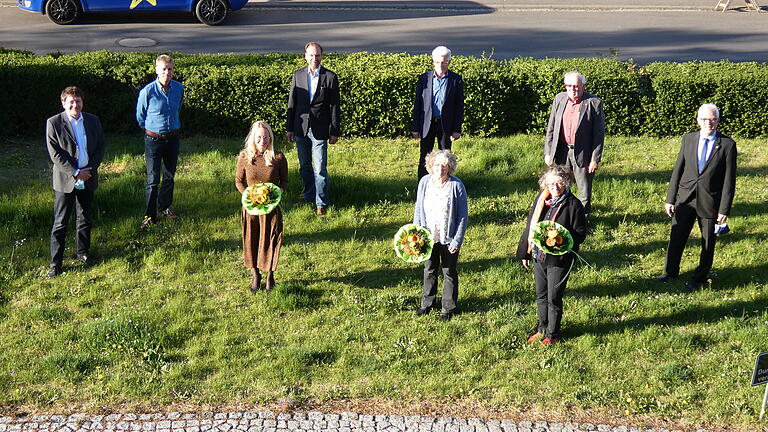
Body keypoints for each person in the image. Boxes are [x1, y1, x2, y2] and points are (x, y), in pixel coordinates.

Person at [656, 103, 737, 291]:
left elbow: (729, 180)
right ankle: (670, 272)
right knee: (677, 236)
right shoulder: (689, 139)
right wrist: (670, 198)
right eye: (705, 119)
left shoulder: (727, 145)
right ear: (698, 120)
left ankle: (699, 277)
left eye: (713, 119)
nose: (709, 123)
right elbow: (678, 169)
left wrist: (724, 208)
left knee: (708, 241)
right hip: (685, 198)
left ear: (718, 120)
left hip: (710, 201)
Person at [516, 165, 587, 345]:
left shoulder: (573, 204)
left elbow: (580, 233)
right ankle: (542, 328)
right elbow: (530, 227)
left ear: (565, 183)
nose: (555, 186)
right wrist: (524, 251)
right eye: (551, 183)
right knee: (541, 294)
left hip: (559, 259)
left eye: (559, 182)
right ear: (545, 183)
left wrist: (561, 241)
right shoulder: (541, 200)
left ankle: (552, 334)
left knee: (553, 297)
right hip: (539, 256)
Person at [45, 86, 106, 278]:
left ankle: (83, 253)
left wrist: (89, 170)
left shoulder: (93, 120)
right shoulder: (54, 123)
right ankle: (56, 264)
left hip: (88, 177)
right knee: (61, 223)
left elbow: (100, 148)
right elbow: (55, 153)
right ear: (63, 103)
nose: (75, 105)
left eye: (78, 101)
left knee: (85, 218)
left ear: (82, 102)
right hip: (66, 180)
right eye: (70, 102)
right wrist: (76, 172)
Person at [286, 42, 341, 217]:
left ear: (321, 56)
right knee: (304, 166)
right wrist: (289, 128)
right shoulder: (298, 75)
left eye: (317, 55)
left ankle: (321, 203)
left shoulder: (330, 77)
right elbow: (292, 103)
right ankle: (308, 195)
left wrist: (335, 130)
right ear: (305, 56)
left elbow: (335, 106)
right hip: (300, 127)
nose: (314, 58)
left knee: (319, 168)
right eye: (311, 55)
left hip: (320, 129)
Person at [413, 150, 468, 321]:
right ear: (431, 166)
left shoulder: (456, 186)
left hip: (448, 238)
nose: (440, 168)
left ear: (450, 167)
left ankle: (448, 308)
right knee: (429, 269)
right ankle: (427, 303)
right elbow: (418, 208)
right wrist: (416, 234)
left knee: (448, 271)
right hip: (427, 236)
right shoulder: (424, 182)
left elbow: (462, 216)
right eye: (437, 164)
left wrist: (457, 240)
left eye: (445, 165)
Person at [235, 121, 288, 292]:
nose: (262, 140)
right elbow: (239, 181)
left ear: (270, 138)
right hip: (251, 209)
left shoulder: (278, 157)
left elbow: (284, 181)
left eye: (266, 137)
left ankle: (270, 276)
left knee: (271, 241)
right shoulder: (244, 157)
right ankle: (255, 275)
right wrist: (247, 196)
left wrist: (279, 191)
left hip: (271, 208)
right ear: (253, 138)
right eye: (259, 137)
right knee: (252, 241)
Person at [543, 71, 604, 217]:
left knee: (584, 190)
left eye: (576, 86)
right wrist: (548, 152)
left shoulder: (593, 102)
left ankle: (582, 220)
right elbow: (551, 127)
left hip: (584, 153)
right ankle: (561, 215)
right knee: (560, 185)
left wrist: (595, 159)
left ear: (583, 86)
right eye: (569, 86)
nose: (573, 89)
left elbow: (598, 134)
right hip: (562, 151)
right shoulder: (559, 99)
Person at [136, 54, 184, 229]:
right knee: (153, 178)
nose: (167, 72)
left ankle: (165, 207)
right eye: (163, 69)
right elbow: (140, 116)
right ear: (157, 70)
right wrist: (151, 128)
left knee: (169, 176)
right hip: (153, 139)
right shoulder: (148, 91)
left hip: (173, 138)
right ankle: (149, 216)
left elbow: (179, 107)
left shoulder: (179, 88)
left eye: (170, 69)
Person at [411, 46, 464, 180]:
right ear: (433, 61)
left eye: (444, 62)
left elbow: (459, 107)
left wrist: (457, 129)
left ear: (449, 62)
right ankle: (423, 186)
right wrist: (415, 127)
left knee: (446, 157)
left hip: (446, 124)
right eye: (437, 62)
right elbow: (418, 104)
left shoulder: (455, 80)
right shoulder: (424, 79)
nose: (440, 65)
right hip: (427, 124)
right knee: (425, 156)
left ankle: (445, 184)